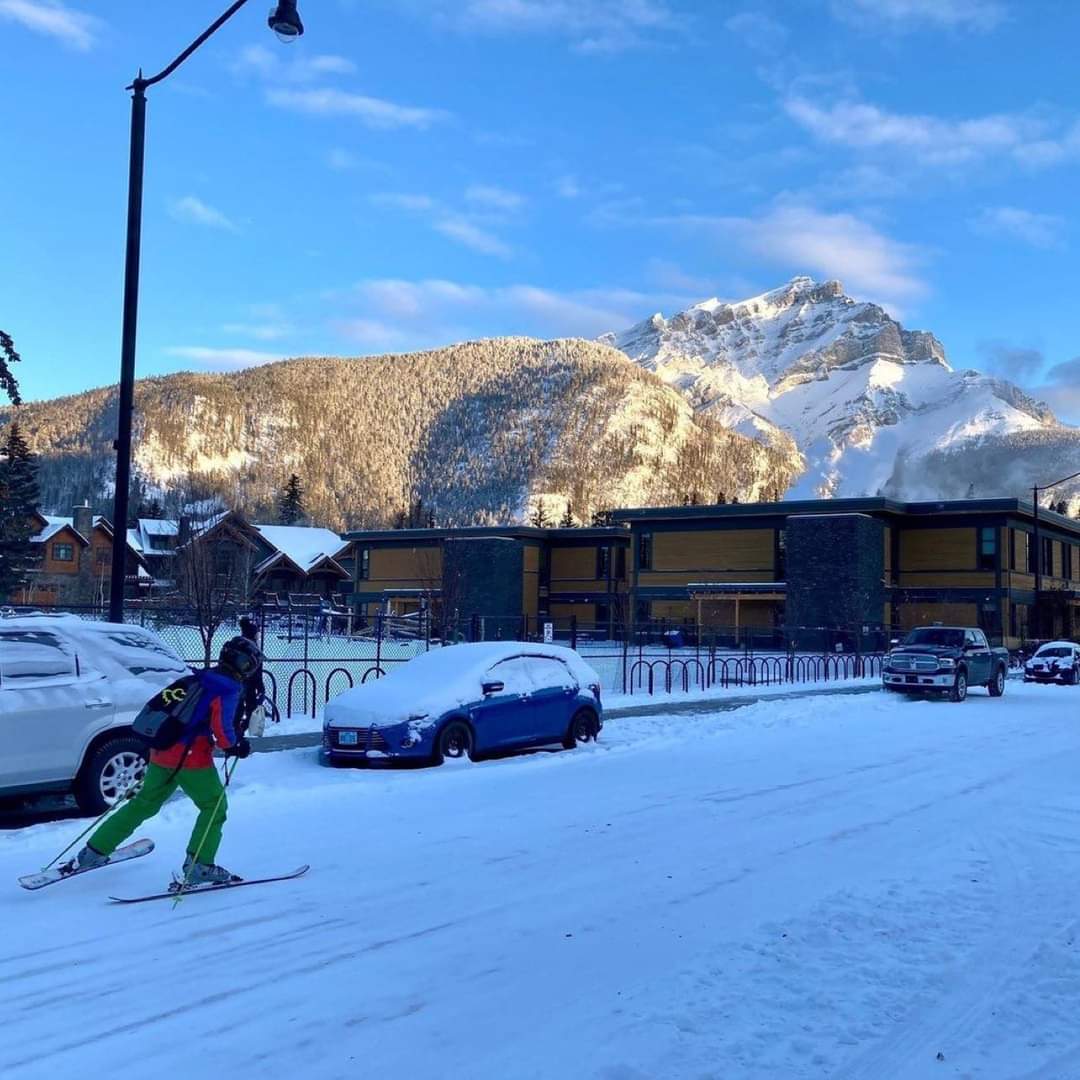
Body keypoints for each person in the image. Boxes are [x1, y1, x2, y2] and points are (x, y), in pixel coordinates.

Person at [70, 636, 263, 885]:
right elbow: (223, 733)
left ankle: (93, 852)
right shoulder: (227, 688)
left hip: (161, 752)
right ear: (243, 665)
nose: (250, 670)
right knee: (215, 806)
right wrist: (238, 745)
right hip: (191, 758)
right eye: (250, 665)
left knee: (144, 803)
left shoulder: (199, 677)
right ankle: (200, 865)